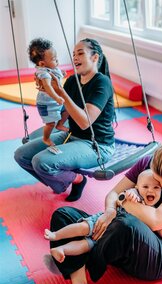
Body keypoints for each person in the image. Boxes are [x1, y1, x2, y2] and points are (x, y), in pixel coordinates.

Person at [46, 129, 162, 284]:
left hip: (159, 252)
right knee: (63, 215)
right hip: (121, 240)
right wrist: (110, 211)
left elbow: (155, 222)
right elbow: (112, 194)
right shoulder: (148, 161)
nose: (158, 186)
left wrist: (122, 200)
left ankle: (75, 259)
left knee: (125, 224)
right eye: (155, 178)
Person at [14, 38, 115, 201]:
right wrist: (45, 93)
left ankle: (78, 180)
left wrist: (60, 92)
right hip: (70, 136)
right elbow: (63, 111)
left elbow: (84, 122)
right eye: (74, 54)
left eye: (80, 53)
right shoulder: (73, 80)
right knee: (21, 155)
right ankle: (66, 180)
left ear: (95, 57)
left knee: (41, 162)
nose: (75, 57)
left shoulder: (102, 83)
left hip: (97, 145)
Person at [44, 169, 162, 264]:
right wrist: (131, 194)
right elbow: (124, 195)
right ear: (138, 188)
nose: (150, 190)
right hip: (108, 221)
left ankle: (62, 250)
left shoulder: (156, 210)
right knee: (84, 227)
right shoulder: (137, 195)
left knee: (87, 245)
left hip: (113, 235)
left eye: (156, 188)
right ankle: (56, 235)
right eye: (145, 187)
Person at [28, 38, 69, 147]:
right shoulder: (43, 73)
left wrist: (62, 74)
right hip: (47, 104)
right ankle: (46, 138)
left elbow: (56, 74)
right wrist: (57, 98)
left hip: (55, 101)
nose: (57, 61)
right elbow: (48, 87)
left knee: (67, 110)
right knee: (50, 123)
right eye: (54, 59)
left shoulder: (51, 68)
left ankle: (60, 125)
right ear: (42, 63)